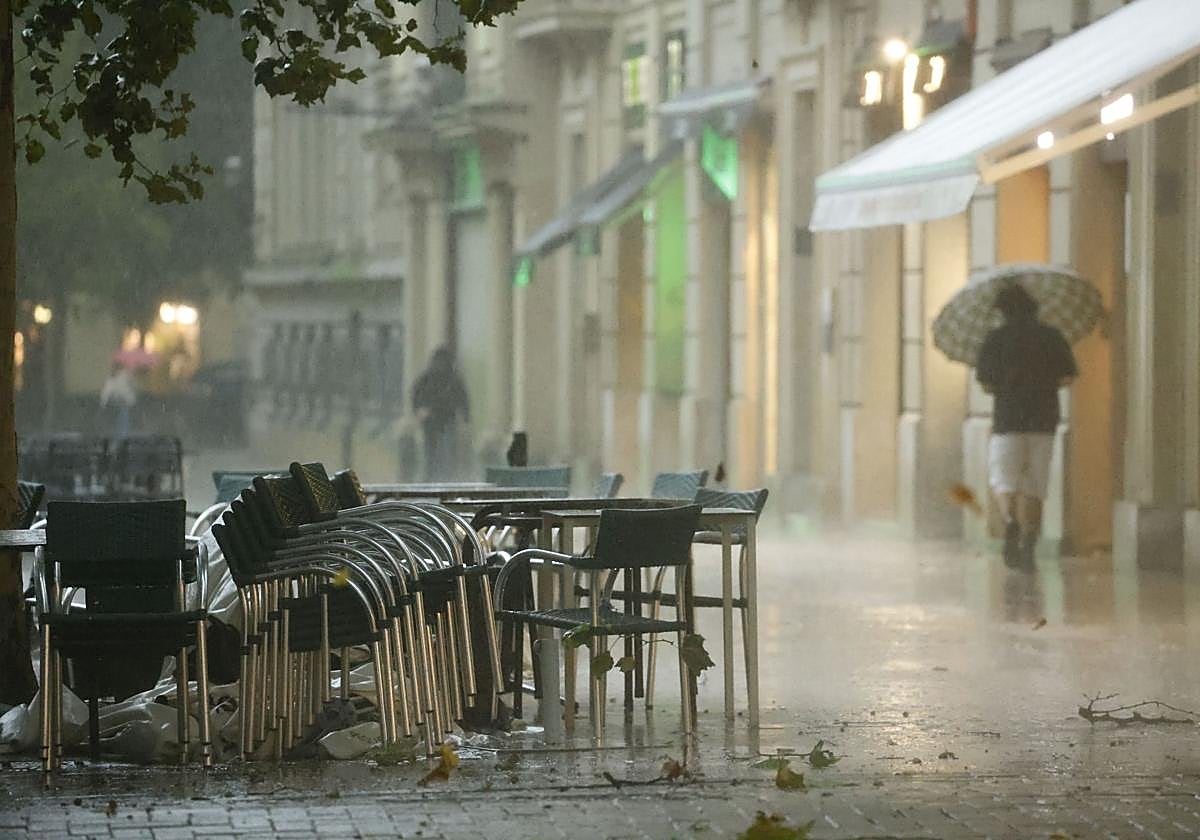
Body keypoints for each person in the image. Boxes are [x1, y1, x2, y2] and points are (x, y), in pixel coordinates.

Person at [976, 284, 1077, 570]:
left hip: (1007, 419)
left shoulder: (995, 339)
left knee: (1003, 479)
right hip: (1043, 419)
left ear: (1002, 310)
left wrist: (1008, 384)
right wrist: (1044, 383)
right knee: (1035, 483)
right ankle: (1029, 543)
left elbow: (985, 383)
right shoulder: (1051, 337)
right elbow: (1068, 377)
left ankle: (1010, 522)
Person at [411, 346, 470, 480]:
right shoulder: (432, 378)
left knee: (440, 450)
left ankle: (439, 475)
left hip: (443, 418)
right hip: (437, 418)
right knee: (435, 450)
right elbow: (463, 397)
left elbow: (462, 397)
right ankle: (435, 475)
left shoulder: (439, 378)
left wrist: (419, 410)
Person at [100, 362, 138, 438]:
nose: (114, 370)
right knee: (121, 416)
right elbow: (106, 391)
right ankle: (122, 433)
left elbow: (129, 389)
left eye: (115, 369)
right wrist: (103, 403)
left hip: (125, 401)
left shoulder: (123, 377)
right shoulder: (113, 379)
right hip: (119, 402)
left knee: (123, 415)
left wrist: (103, 403)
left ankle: (123, 433)